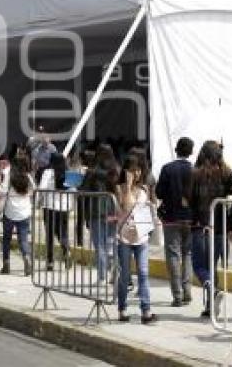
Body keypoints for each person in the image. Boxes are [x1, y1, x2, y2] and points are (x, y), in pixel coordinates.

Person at [189, 140, 232, 319]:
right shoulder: (227, 172)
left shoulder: (196, 173)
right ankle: (211, 306)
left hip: (200, 226)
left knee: (199, 265)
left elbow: (188, 200)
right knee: (211, 266)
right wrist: (230, 226)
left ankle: (212, 293)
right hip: (220, 227)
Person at [115, 154, 157, 324]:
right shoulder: (120, 189)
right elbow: (125, 205)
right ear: (126, 171)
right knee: (125, 275)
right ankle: (122, 308)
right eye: (133, 170)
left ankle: (146, 311)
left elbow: (150, 207)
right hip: (125, 237)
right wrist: (129, 185)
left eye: (139, 169)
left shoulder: (145, 189)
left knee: (144, 273)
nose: (137, 173)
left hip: (141, 236)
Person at [156, 137, 194, 307]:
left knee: (173, 254)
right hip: (191, 218)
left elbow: (159, 193)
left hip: (171, 217)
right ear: (191, 152)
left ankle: (177, 294)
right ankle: (187, 291)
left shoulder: (167, 169)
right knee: (187, 254)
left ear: (176, 149)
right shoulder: (195, 170)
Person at [81, 144, 119, 284]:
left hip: (96, 211)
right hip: (113, 211)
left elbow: (83, 191)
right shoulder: (116, 171)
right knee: (112, 243)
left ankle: (102, 276)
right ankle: (116, 272)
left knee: (100, 245)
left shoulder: (92, 172)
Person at [0, 155, 35, 275]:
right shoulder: (27, 176)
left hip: (10, 211)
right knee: (23, 239)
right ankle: (26, 258)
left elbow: (3, 191)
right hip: (24, 211)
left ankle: (6, 264)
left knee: (7, 239)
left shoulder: (9, 176)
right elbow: (33, 189)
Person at [38, 153, 74, 271]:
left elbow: (42, 188)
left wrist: (38, 201)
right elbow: (73, 189)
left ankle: (50, 262)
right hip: (64, 208)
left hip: (50, 206)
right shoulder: (68, 173)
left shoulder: (48, 172)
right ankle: (66, 250)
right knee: (63, 232)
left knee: (50, 234)